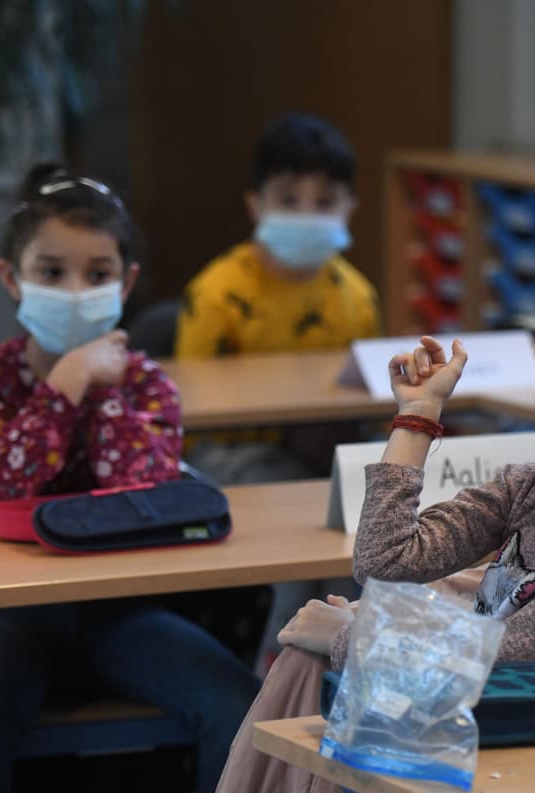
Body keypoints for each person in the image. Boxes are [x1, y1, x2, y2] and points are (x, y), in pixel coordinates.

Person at [214, 268, 535, 792]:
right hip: (484, 742)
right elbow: (387, 562)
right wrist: (417, 415)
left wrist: (352, 638)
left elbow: (501, 664)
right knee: (314, 654)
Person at [0, 164, 259, 792]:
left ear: (126, 282)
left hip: (121, 613)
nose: (75, 290)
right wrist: (64, 385)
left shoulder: (146, 383)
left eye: (97, 274)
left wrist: (103, 386)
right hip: (6, 613)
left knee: (241, 712)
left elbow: (146, 494)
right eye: (51, 272)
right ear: (12, 279)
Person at [174, 112, 382, 671]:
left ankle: (349, 653)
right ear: (255, 205)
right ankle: (281, 663)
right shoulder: (217, 293)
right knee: (305, 513)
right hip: (229, 453)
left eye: (325, 201)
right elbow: (191, 407)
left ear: (350, 207)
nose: (307, 215)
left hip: (324, 453)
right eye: (289, 199)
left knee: (368, 513)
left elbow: (366, 393)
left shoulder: (357, 296)